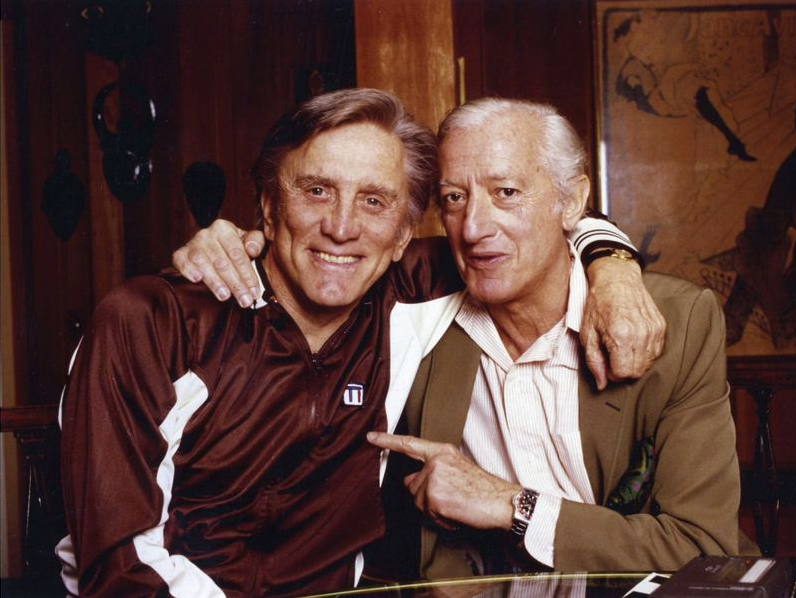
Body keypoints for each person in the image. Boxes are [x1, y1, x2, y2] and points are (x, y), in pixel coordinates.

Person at [58, 89, 663, 597]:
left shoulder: (411, 291)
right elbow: (117, 569)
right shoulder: (149, 323)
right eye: (316, 191)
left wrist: (612, 266)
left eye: (374, 202)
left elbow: (536, 228)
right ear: (268, 207)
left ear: (402, 235)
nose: (342, 227)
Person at [365, 98, 744, 578]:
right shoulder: (417, 309)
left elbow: (702, 549)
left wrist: (512, 506)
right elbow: (329, 250)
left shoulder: (679, 321)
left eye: (506, 192)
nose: (474, 228)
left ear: (571, 201)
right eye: (454, 198)